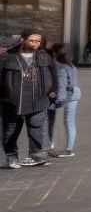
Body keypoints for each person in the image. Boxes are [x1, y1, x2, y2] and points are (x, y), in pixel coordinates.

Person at [1, 29, 57, 168]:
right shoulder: (9, 57)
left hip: (38, 99)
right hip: (13, 101)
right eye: (32, 40)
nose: (35, 44)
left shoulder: (45, 57)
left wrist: (53, 91)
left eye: (38, 41)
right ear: (23, 40)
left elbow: (54, 75)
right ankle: (11, 156)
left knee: (36, 128)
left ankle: (35, 155)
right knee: (11, 130)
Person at [47, 44, 78, 158]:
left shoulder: (60, 67)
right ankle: (69, 148)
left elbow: (61, 86)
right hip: (74, 95)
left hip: (65, 98)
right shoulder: (71, 66)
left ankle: (60, 148)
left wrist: (57, 101)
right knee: (70, 122)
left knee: (61, 123)